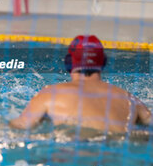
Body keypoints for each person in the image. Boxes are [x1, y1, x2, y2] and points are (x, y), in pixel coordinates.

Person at [9, 35, 151, 134]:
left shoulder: (50, 94)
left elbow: (19, 128)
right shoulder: (130, 99)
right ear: (104, 62)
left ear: (68, 62)